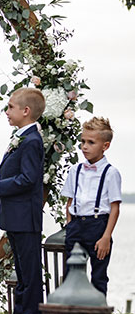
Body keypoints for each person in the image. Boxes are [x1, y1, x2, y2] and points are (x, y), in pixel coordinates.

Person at [0, 88, 45, 314]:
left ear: (26, 111)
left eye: (10, 107)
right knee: (20, 270)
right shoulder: (22, 137)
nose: (7, 111)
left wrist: (2, 187)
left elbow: (29, 179)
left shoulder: (31, 141)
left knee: (30, 270)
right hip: (15, 216)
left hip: (26, 217)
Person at [61, 117, 121, 295]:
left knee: (99, 275)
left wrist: (106, 237)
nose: (84, 146)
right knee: (71, 275)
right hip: (76, 225)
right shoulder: (75, 170)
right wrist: (70, 224)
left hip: (98, 226)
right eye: (82, 141)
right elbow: (70, 201)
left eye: (91, 142)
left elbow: (115, 207)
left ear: (105, 146)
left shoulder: (111, 173)